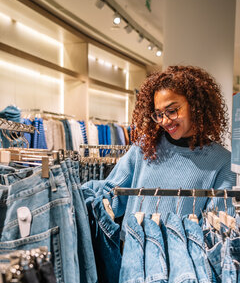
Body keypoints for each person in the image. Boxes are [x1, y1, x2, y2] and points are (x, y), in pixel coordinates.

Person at [82, 65, 236, 239]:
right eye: (158, 114)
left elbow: (217, 229)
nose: (165, 121)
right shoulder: (143, 149)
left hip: (183, 262)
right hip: (132, 256)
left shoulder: (222, 162)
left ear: (195, 105)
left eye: (171, 111)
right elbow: (112, 195)